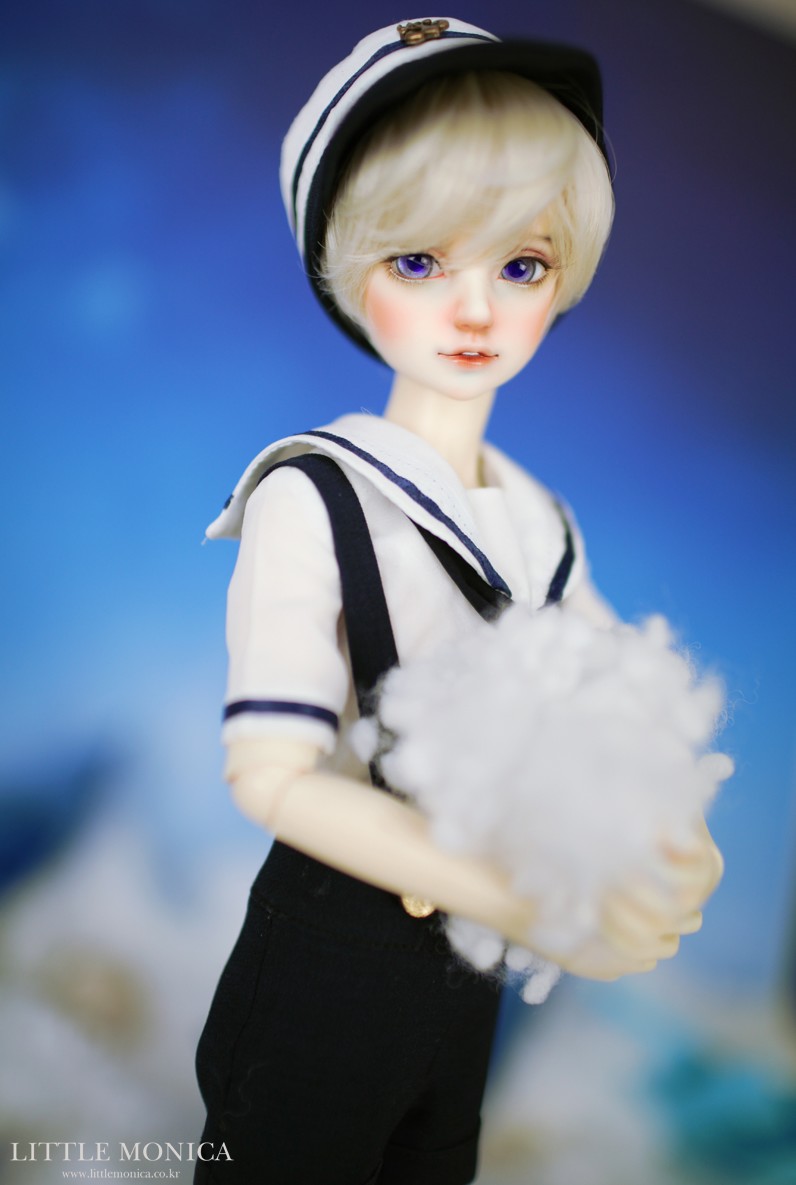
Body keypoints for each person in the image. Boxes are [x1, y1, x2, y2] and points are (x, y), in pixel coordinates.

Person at [194, 18, 723, 1185]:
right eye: (421, 263)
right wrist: (523, 901)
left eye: (520, 265)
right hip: (327, 962)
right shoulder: (314, 493)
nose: (474, 311)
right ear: (348, 269)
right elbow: (270, 775)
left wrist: (675, 843)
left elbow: (620, 717)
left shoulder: (541, 525)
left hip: (462, 989)